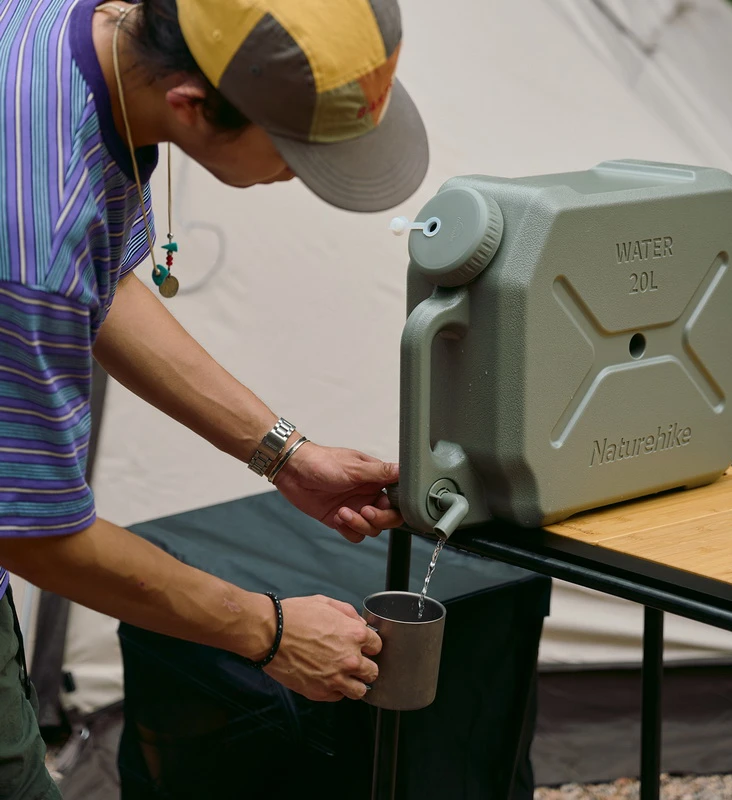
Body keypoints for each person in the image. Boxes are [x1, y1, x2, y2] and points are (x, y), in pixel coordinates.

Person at [0, 0, 429, 797]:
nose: (302, 177)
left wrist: (283, 455)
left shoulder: (86, 39)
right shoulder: (28, 231)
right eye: (299, 155)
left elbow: (97, 285)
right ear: (191, 106)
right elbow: (27, 532)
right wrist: (267, 633)